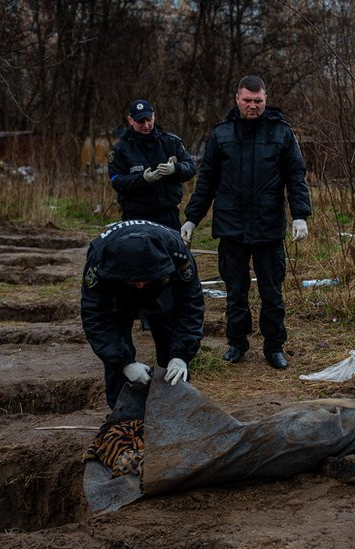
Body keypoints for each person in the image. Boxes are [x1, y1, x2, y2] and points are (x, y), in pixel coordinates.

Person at [181, 75, 311, 370]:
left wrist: (300, 214)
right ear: (237, 98)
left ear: (265, 99)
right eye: (247, 100)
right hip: (231, 227)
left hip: (268, 227)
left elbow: (296, 176)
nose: (253, 106)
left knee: (272, 293)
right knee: (235, 291)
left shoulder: (281, 133)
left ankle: (274, 346)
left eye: (258, 101)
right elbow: (207, 182)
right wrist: (192, 219)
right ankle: (237, 343)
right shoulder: (221, 135)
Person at [81, 219, 204, 409]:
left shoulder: (177, 253)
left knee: (168, 335)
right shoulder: (100, 259)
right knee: (117, 345)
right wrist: (124, 363)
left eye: (143, 280)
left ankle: (176, 408)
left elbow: (189, 305)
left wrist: (181, 354)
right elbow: (96, 317)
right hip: (117, 290)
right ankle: (122, 413)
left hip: (161, 285)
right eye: (135, 281)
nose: (140, 286)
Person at [108, 99, 196, 229]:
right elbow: (117, 181)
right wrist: (142, 179)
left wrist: (175, 169)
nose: (146, 125)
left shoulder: (170, 142)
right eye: (140, 121)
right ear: (130, 120)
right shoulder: (120, 149)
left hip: (168, 215)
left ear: (154, 116)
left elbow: (191, 167)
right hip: (135, 217)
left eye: (149, 119)